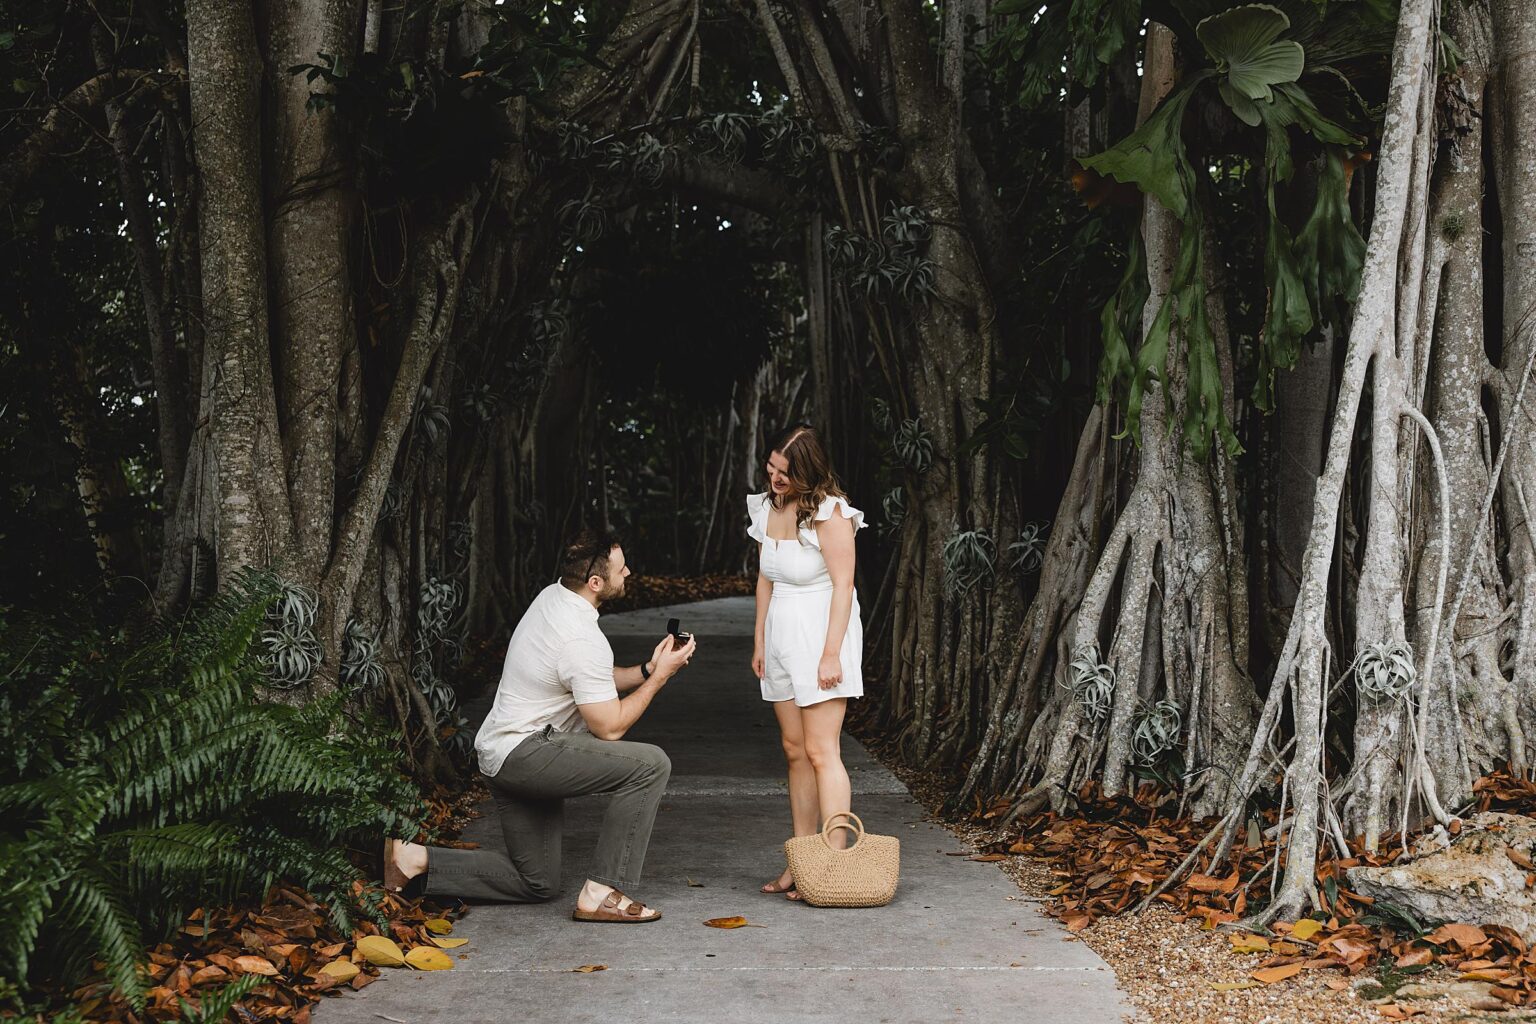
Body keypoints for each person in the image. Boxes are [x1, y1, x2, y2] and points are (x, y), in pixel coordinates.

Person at [383, 530, 697, 923]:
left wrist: (650, 668)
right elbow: (610, 727)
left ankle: (413, 859)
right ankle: (602, 892)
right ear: (596, 583)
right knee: (651, 764)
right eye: (621, 569)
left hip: (501, 754)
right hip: (528, 754)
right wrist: (661, 679)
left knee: (537, 882)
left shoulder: (554, 598)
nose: (629, 572)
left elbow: (590, 681)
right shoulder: (581, 637)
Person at [747, 424, 866, 901]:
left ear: (808, 470)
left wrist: (832, 652)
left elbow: (844, 585)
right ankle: (800, 862)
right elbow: (765, 579)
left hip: (821, 634)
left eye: (785, 471)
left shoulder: (831, 513)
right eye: (772, 467)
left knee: (822, 751)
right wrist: (759, 640)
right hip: (781, 637)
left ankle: (834, 865)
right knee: (794, 751)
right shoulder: (767, 506)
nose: (775, 477)